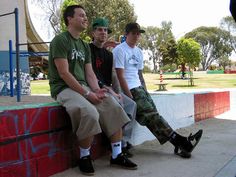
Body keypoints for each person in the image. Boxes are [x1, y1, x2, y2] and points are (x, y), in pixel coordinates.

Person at [48, 5, 137, 176]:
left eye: (85, 16)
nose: (85, 18)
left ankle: (117, 154)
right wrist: (87, 94)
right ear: (69, 19)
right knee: (89, 112)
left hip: (84, 86)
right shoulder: (60, 40)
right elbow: (64, 73)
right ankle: (84, 156)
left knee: (112, 105)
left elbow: (89, 74)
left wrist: (98, 91)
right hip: (64, 87)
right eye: (81, 15)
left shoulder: (83, 45)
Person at [113, 22, 203, 158]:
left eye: (138, 33)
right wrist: (130, 96)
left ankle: (178, 143)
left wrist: (145, 92)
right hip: (129, 89)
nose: (137, 36)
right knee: (152, 116)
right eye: (133, 33)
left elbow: (139, 75)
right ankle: (182, 142)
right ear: (126, 35)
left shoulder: (138, 51)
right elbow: (119, 75)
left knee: (153, 116)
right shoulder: (120, 50)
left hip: (139, 89)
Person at [89, 17, 137, 157]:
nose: (103, 33)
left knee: (131, 105)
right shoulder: (88, 50)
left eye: (105, 30)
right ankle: (115, 146)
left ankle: (124, 142)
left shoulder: (109, 55)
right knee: (116, 103)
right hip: (94, 89)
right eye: (99, 30)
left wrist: (120, 93)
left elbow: (114, 76)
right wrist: (112, 92)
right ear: (93, 33)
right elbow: (91, 76)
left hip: (108, 90)